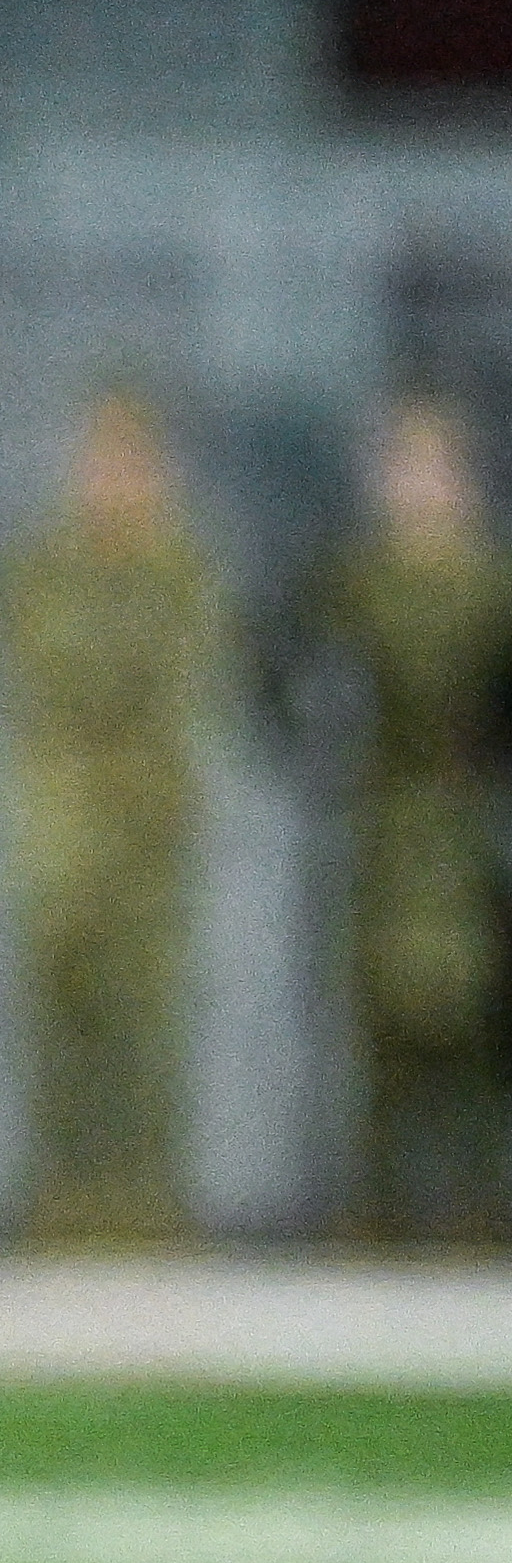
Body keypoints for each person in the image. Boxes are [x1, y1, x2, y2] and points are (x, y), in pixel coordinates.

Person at [0, 387, 224, 1244]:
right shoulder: (45, 567)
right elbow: (50, 673)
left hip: (149, 824)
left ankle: (144, 1205)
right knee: (62, 1024)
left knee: (147, 1027)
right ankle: (62, 1203)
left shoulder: (182, 570)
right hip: (63, 821)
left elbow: (189, 679)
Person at [303, 395, 512, 1243]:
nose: (419, 489)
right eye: (404, 469)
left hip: (475, 834)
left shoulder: (494, 589)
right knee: (379, 1040)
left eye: (435, 469)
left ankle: (478, 1212)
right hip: (384, 831)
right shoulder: (354, 582)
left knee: (475, 1034)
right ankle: (379, 1218)